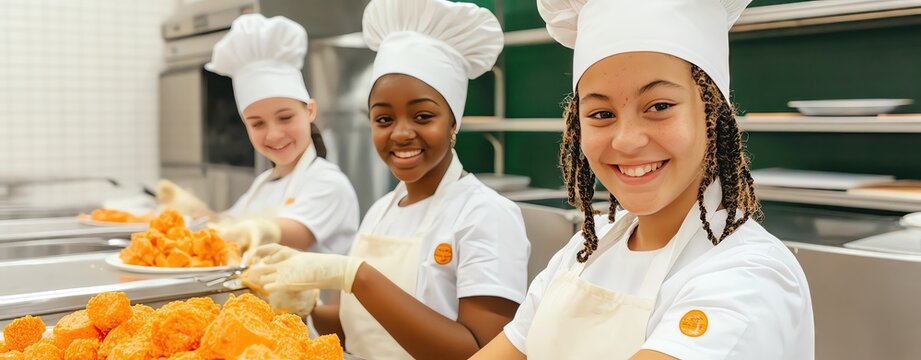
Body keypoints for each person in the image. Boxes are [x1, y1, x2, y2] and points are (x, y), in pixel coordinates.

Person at [471, 0, 815, 359]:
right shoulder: (585, 250)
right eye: (601, 114)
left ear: (714, 113)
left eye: (659, 106)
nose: (626, 140)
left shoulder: (749, 276)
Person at [245, 0, 531, 359]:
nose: (400, 133)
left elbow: (482, 351)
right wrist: (305, 309)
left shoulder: (486, 214)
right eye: (383, 119)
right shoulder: (381, 210)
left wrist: (357, 276)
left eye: (423, 116)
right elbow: (360, 330)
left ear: (453, 122)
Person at [157, 14, 360, 258]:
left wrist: (255, 230)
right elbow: (228, 224)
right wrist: (193, 211)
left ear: (310, 111)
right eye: (257, 124)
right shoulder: (262, 184)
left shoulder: (328, 183)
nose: (273, 134)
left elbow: (297, 234)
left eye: (285, 117)